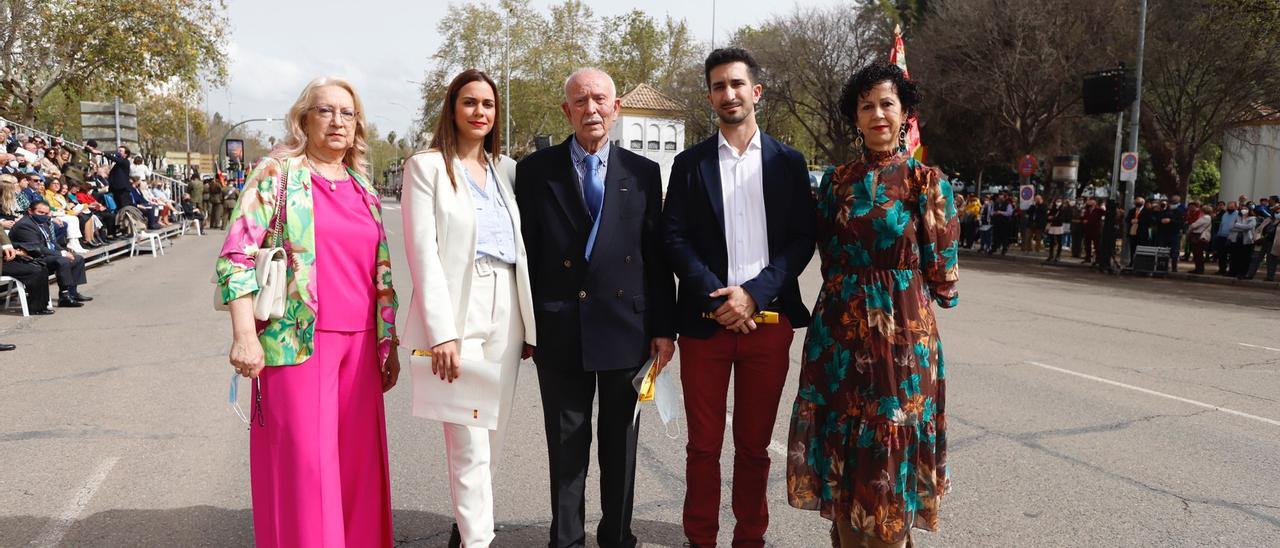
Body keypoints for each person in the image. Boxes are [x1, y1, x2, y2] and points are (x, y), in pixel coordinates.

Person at [215, 76, 400, 548]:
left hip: (360, 347)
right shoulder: (278, 173)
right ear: (304, 119)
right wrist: (244, 335)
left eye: (347, 113)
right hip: (297, 344)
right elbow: (235, 256)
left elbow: (379, 273)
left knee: (359, 472)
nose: (337, 121)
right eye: (326, 110)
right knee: (308, 476)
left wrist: (388, 340)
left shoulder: (363, 187)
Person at [787, 61, 958, 548]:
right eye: (867, 106)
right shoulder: (835, 181)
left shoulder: (928, 182)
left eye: (887, 103)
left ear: (905, 113)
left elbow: (944, 275)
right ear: (855, 117)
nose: (877, 113)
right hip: (838, 335)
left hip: (900, 339)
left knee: (889, 442)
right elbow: (825, 252)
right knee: (845, 443)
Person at [514, 67, 676, 548]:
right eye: (580, 102)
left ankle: (617, 536)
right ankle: (565, 539)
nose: (592, 110)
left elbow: (655, 258)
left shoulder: (644, 173)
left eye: (600, 100)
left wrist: (664, 329)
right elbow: (526, 256)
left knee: (620, 445)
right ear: (567, 111)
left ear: (617, 106)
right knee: (566, 446)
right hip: (560, 327)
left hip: (627, 327)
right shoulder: (535, 172)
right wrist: (524, 326)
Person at [661, 48, 816, 548]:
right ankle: (699, 538)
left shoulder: (788, 163)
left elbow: (801, 240)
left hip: (768, 325)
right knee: (702, 447)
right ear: (710, 97)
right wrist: (719, 299)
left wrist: (752, 295)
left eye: (736, 84)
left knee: (753, 448)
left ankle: (751, 538)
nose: (729, 93)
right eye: (719, 86)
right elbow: (674, 238)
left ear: (756, 92)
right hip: (706, 325)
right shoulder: (689, 164)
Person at [399, 69, 536, 548]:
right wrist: (442, 332)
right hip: (460, 306)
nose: (481, 112)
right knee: (469, 440)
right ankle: (480, 539)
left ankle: (468, 526)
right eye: (470, 103)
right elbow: (423, 253)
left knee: (491, 434)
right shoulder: (426, 167)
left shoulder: (508, 170)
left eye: (488, 105)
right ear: (452, 109)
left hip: (509, 309)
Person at [8, 201, 90, 307]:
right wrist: (61, 254)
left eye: (46, 213)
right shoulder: (24, 225)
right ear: (30, 211)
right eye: (40, 212)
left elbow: (51, 242)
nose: (44, 216)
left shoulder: (43, 222)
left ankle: (72, 292)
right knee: (62, 260)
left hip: (45, 254)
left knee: (77, 258)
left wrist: (64, 251)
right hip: (31, 258)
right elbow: (36, 248)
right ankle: (64, 296)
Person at [1, 214, 53, 315]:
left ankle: (42, 304)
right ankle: (34, 306)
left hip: (6, 258)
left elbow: (5, 240)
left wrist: (15, 250)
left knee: (41, 267)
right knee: (34, 271)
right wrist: (5, 251)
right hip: (3, 261)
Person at [1154, 200, 1183, 272]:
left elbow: (1180, 223)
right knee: (1161, 251)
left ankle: (1174, 267)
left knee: (1174, 252)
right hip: (1162, 234)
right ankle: (1161, 266)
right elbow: (1156, 220)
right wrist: (1161, 221)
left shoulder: (1178, 212)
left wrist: (1170, 221)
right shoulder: (1162, 212)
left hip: (1174, 234)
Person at [1228, 206, 1256, 279]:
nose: (1244, 210)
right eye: (1242, 209)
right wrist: (1242, 228)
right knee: (1234, 256)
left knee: (1244, 258)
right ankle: (1233, 272)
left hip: (1247, 241)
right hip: (1236, 239)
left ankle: (1242, 273)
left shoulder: (1252, 219)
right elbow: (1231, 227)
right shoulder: (1237, 217)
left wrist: (1237, 225)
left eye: (1246, 209)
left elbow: (1249, 227)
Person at [1213, 201, 1239, 275]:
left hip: (1231, 237)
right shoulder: (1225, 214)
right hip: (1221, 236)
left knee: (1232, 255)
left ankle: (1232, 271)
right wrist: (1218, 234)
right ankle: (1222, 270)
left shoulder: (1238, 214)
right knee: (1221, 255)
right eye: (1229, 207)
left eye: (1232, 207)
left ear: (1235, 207)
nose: (1230, 208)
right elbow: (1222, 224)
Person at [1187, 204, 1214, 274]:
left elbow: (1194, 225)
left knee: (1198, 254)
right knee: (1198, 254)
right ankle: (1198, 268)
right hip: (1199, 236)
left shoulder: (1205, 217)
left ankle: (1199, 269)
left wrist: (1191, 226)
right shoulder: (1207, 217)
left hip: (1198, 236)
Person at [1044, 197, 1069, 263]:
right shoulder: (1053, 208)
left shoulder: (1063, 209)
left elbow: (1062, 218)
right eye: (1057, 201)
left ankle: (1058, 255)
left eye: (1059, 201)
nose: (1058, 202)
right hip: (1052, 226)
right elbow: (1048, 216)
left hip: (1058, 226)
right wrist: (1050, 217)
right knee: (1051, 241)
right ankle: (1051, 255)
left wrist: (1053, 218)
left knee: (1059, 241)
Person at [1082, 199, 1103, 264]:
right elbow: (1084, 217)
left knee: (1097, 245)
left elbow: (1102, 216)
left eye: (1090, 203)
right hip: (1087, 230)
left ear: (1094, 204)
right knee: (1087, 245)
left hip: (1095, 230)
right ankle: (1087, 258)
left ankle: (1098, 259)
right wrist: (1084, 220)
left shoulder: (1099, 210)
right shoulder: (1087, 210)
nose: (1089, 204)